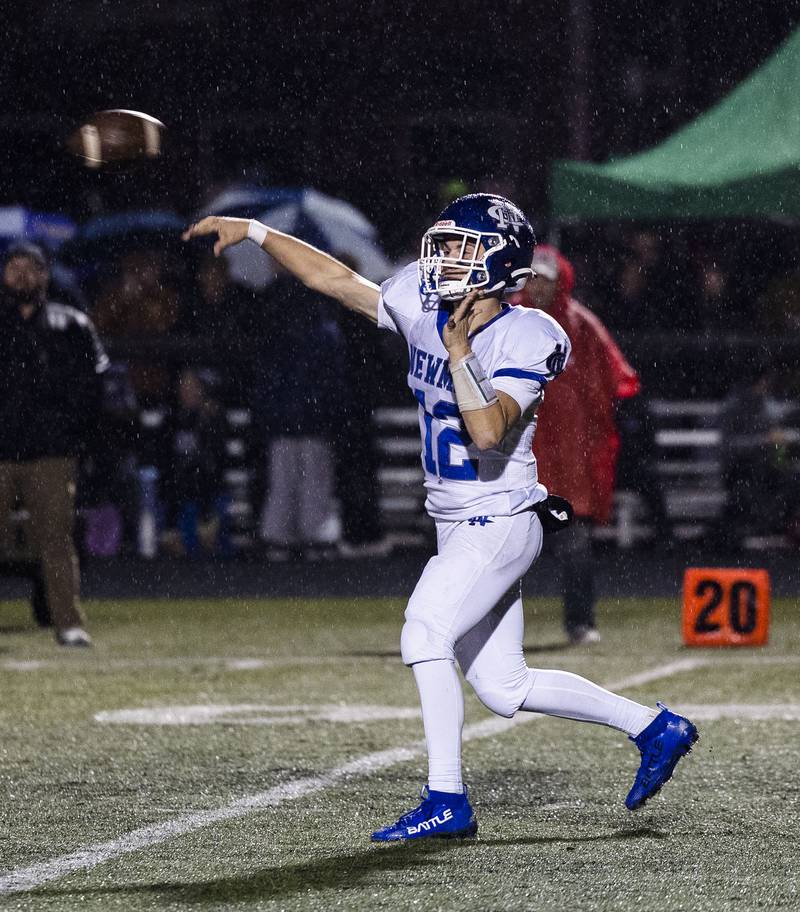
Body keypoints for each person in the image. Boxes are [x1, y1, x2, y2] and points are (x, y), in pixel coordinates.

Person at [183, 193, 699, 842]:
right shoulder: (426, 305)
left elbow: (486, 432)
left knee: (424, 633)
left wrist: (459, 356)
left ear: (501, 261)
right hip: (458, 521)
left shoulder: (530, 332)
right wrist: (256, 232)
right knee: (504, 687)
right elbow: (337, 280)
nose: (444, 259)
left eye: (461, 248)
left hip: (501, 519)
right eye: (445, 244)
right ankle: (655, 728)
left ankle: (446, 799)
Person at [509, 245, 640, 645]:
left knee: (575, 545)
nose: (539, 286)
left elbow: (619, 380)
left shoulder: (581, 325)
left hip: (568, 457)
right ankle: (481, 627)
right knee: (500, 546)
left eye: (546, 279)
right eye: (533, 278)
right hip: (519, 449)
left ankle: (579, 622)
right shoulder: (509, 318)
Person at [0, 242, 108, 646]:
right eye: (14, 267)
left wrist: (74, 434)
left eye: (31, 268)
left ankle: (68, 622)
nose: (22, 276)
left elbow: (93, 386)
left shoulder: (71, 324)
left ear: (46, 274)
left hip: (50, 451)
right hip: (3, 449)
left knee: (57, 540)